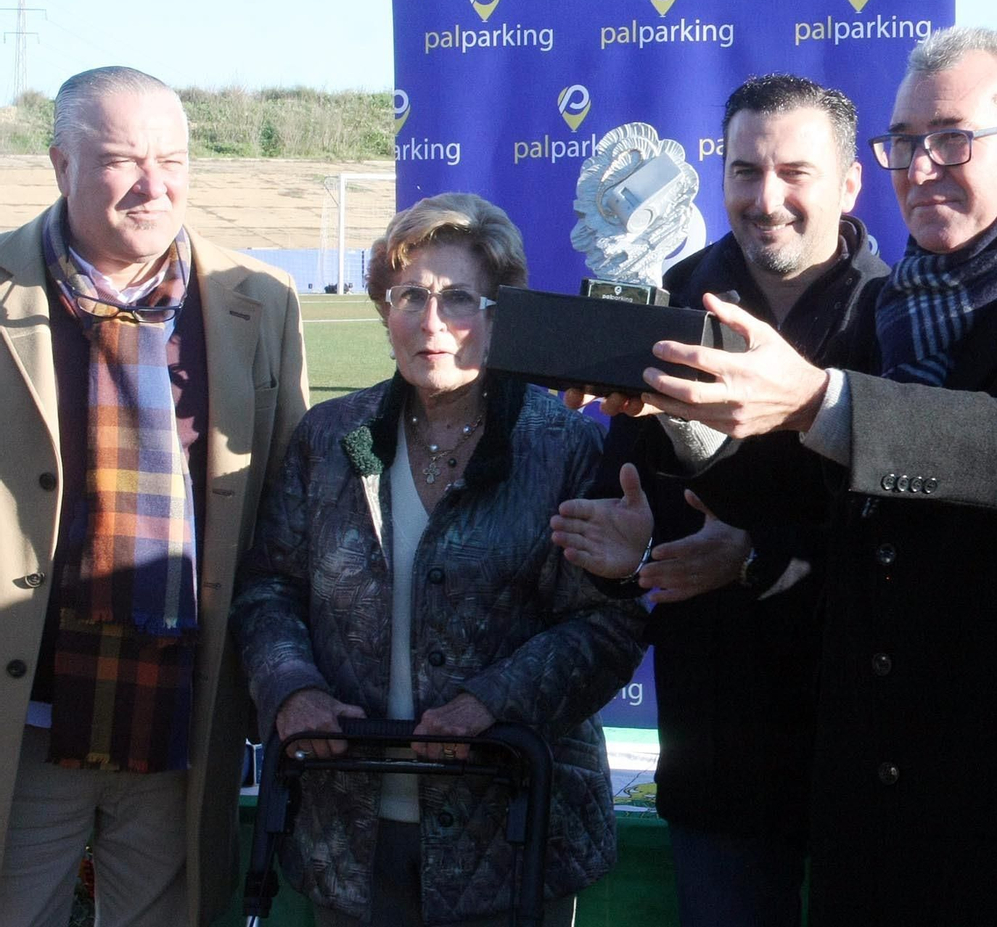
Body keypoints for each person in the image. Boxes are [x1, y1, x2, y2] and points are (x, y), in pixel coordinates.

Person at [560, 27, 997, 924]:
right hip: (883, 819)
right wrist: (690, 415)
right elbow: (818, 508)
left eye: (952, 139)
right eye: (905, 143)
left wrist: (820, 401)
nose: (922, 165)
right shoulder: (906, 309)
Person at [230, 193, 646, 927]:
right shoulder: (334, 439)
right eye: (409, 297)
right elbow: (269, 589)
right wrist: (291, 689)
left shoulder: (561, 446)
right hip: (347, 828)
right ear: (383, 309)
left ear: (499, 312)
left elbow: (606, 627)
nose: (431, 322)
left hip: (512, 831)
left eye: (458, 298)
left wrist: (494, 701)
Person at [569, 74, 887, 927]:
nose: (766, 198)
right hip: (720, 747)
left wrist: (756, 554)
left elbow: (910, 535)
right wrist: (628, 541)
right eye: (745, 171)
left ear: (851, 184)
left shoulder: (902, 315)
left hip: (870, 744)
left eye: (795, 172)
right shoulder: (677, 296)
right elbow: (630, 497)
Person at [0, 66, 309, 927]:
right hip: (23, 717)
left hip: (185, 716)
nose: (154, 184)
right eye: (123, 160)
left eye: (172, 159)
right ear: (60, 164)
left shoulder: (259, 301)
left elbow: (287, 512)